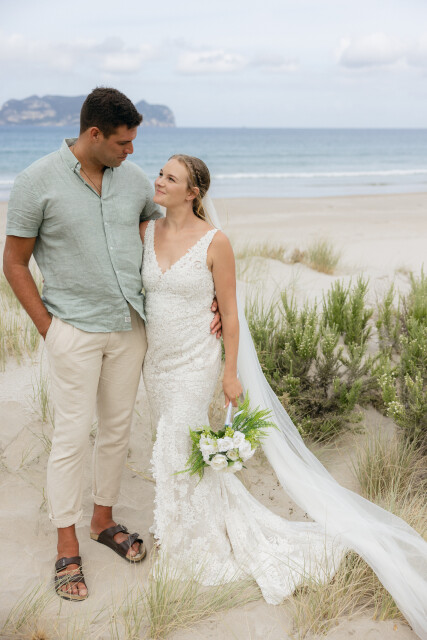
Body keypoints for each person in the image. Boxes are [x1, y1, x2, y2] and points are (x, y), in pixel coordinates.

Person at [140, 154, 427, 640]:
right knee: (170, 443)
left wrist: (230, 372)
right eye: (160, 173)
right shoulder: (146, 231)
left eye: (171, 177)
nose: (160, 181)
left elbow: (230, 313)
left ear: (193, 192)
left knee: (178, 439)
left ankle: (193, 543)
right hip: (157, 363)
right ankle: (181, 522)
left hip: (194, 360)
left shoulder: (215, 242)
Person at [2, 89, 221, 602]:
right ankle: (66, 544)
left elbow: (172, 232)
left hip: (129, 328)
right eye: (123, 142)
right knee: (71, 437)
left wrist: (206, 293)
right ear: (94, 134)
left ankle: (102, 520)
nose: (131, 151)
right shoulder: (36, 181)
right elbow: (13, 263)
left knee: (117, 431)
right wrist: (49, 329)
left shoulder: (135, 180)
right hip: (72, 331)